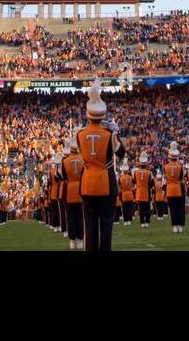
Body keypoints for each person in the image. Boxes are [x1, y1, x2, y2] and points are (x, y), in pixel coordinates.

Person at [75, 79, 122, 252]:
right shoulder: (109, 134)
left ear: (88, 114)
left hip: (87, 183)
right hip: (106, 183)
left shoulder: (80, 135)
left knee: (90, 225)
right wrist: (115, 133)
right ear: (103, 115)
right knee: (107, 225)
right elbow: (121, 152)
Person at [163, 142, 186, 233]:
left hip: (169, 189)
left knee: (172, 209)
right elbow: (181, 179)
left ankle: (175, 226)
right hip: (177, 189)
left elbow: (165, 178)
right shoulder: (180, 166)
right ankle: (180, 226)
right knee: (179, 208)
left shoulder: (166, 167)